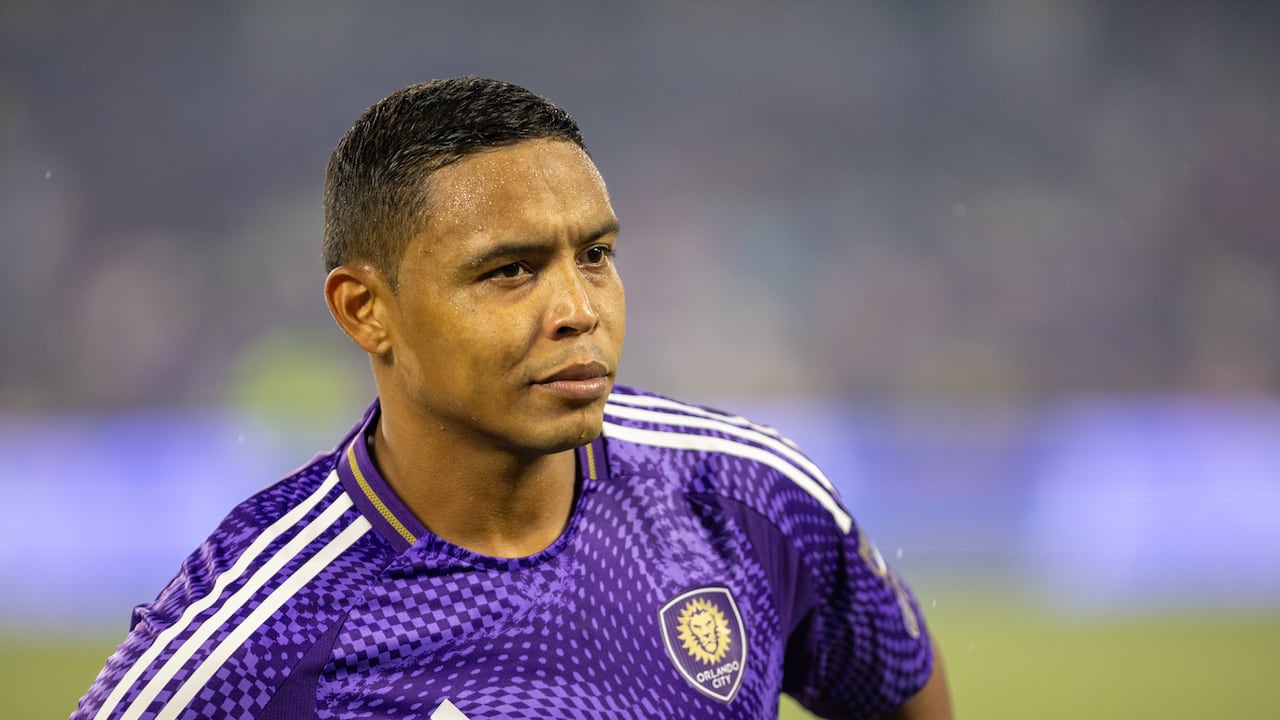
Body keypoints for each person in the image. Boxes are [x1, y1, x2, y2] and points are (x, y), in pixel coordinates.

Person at [72, 77, 952, 720]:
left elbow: (903, 693)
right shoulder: (256, 631)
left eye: (596, 256)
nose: (579, 311)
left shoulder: (746, 493)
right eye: (510, 271)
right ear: (365, 309)